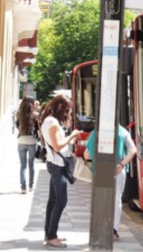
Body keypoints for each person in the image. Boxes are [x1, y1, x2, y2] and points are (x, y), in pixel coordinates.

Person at [40, 94, 82, 248]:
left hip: (55, 164)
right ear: (59, 107)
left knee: (53, 200)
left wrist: (67, 151)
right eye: (66, 109)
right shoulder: (52, 123)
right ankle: (51, 236)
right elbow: (57, 146)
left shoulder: (49, 120)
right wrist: (72, 136)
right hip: (57, 167)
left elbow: (55, 145)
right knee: (61, 201)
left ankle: (49, 233)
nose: (67, 113)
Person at [84, 126, 137, 240]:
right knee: (116, 200)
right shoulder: (122, 131)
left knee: (103, 199)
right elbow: (133, 150)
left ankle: (101, 228)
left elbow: (86, 155)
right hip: (117, 169)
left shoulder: (95, 132)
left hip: (103, 168)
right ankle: (114, 230)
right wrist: (122, 164)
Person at [17, 96, 40, 194]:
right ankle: (31, 186)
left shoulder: (19, 114)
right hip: (32, 142)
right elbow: (38, 129)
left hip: (21, 141)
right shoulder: (35, 115)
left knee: (23, 166)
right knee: (31, 164)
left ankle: (23, 187)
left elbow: (17, 125)